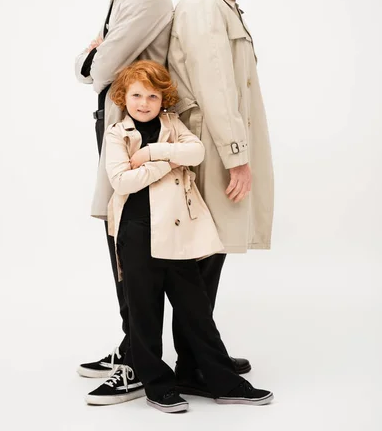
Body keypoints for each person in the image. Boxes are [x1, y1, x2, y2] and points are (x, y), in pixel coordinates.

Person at [86, 60, 274, 413]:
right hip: (136, 232)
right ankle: (157, 386)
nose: (144, 103)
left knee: (196, 312)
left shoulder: (173, 125)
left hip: (178, 232)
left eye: (153, 96)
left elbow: (197, 152)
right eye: (137, 95)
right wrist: (168, 164)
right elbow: (122, 181)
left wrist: (153, 153)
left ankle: (222, 381)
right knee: (144, 313)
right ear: (124, 97)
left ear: (163, 99)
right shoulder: (117, 133)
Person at [168, 0, 274, 396]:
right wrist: (236, 156)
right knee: (201, 262)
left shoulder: (221, 4)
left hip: (217, 148)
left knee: (207, 261)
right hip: (211, 153)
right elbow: (215, 86)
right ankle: (205, 368)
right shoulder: (203, 5)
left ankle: (196, 359)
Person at [74, 0, 173, 381]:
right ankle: (131, 345)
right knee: (117, 236)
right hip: (115, 123)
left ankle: (140, 360)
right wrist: (91, 59)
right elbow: (84, 65)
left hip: (137, 129)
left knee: (130, 240)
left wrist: (95, 58)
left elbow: (103, 65)